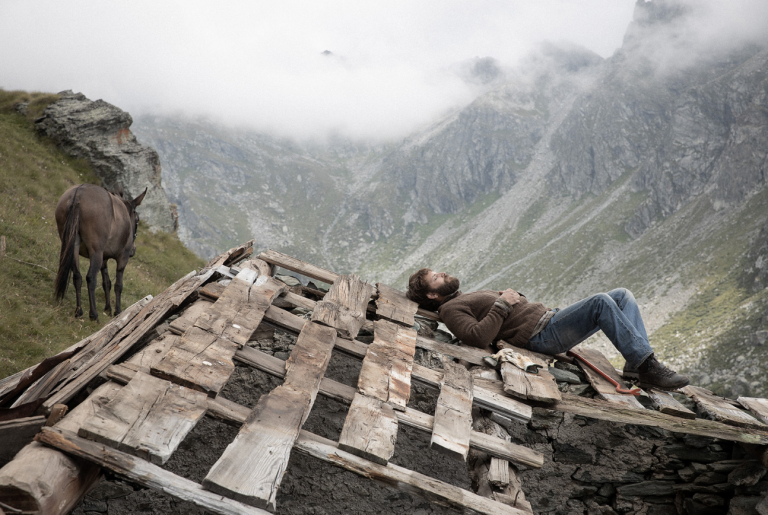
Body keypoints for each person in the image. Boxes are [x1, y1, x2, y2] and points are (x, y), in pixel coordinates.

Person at [405, 268, 689, 391]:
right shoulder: (449, 310)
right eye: (435, 277)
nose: (442, 273)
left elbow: (498, 314)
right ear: (432, 296)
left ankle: (634, 366)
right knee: (601, 303)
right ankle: (649, 367)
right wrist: (502, 303)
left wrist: (506, 300)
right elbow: (478, 338)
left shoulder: (461, 299)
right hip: (541, 336)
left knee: (622, 295)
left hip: (548, 320)